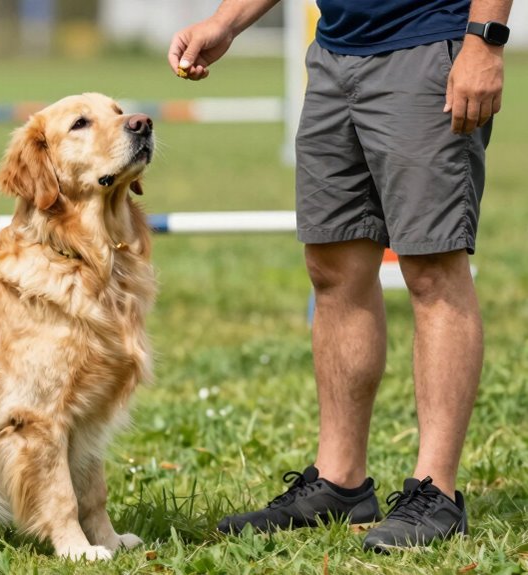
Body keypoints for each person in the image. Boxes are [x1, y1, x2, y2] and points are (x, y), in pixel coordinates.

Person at [167, 0, 512, 552]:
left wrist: (484, 40)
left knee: (433, 269)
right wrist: (224, 22)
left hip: (427, 50)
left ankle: (436, 493)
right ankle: (340, 482)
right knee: (333, 268)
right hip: (334, 55)